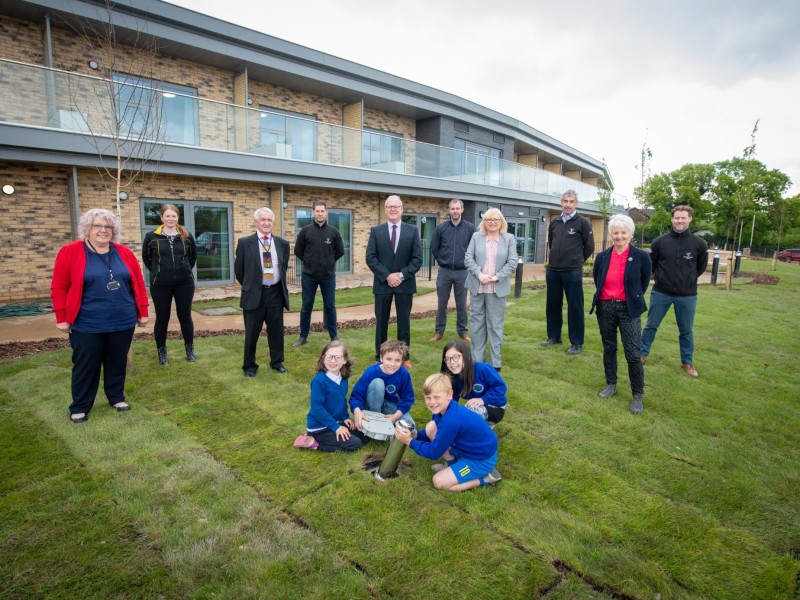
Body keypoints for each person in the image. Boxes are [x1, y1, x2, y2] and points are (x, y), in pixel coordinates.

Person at [51, 208, 149, 423]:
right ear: (88, 228)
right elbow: (59, 286)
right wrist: (61, 317)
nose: (103, 230)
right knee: (87, 365)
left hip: (122, 319)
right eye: (98, 226)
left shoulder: (123, 252)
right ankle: (80, 406)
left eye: (108, 226)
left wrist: (143, 311)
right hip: (87, 322)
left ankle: (116, 397)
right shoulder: (71, 251)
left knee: (116, 362)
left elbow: (138, 283)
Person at [394, 373, 502, 491]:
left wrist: (409, 441)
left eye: (436, 397)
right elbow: (431, 435)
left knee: (439, 482)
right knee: (431, 427)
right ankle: (452, 465)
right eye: (428, 397)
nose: (432, 402)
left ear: (449, 394)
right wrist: (415, 435)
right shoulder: (443, 410)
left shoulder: (451, 421)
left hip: (480, 460)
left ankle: (485, 479)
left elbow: (433, 452)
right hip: (467, 449)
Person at [589, 215, 652, 414]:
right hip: (606, 307)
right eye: (615, 232)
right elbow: (597, 278)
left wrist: (630, 298)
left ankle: (638, 395)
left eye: (623, 232)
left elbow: (642, 284)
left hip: (629, 309)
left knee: (633, 353)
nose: (619, 236)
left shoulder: (641, 256)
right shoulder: (602, 256)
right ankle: (611, 384)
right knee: (609, 347)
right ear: (610, 235)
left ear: (630, 234)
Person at [640, 205, 708, 378]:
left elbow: (699, 268)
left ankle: (687, 362)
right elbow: (651, 266)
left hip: (687, 295)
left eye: (683, 218)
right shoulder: (659, 242)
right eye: (676, 218)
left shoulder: (699, 244)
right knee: (651, 325)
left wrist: (687, 279)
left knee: (686, 330)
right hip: (661, 293)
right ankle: (641, 355)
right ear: (672, 219)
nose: (679, 221)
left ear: (690, 219)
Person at [365, 195, 422, 366]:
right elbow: (371, 257)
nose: (393, 209)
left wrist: (401, 275)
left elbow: (417, 259)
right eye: (389, 206)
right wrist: (388, 276)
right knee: (381, 322)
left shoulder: (412, 231)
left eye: (396, 206)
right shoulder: (376, 231)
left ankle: (404, 357)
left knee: (403, 323)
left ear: (402, 209)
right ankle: (380, 356)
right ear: (385, 209)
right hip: (383, 284)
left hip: (405, 285)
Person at [234, 207, 290, 377]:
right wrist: (252, 285)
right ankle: (249, 366)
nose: (266, 223)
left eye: (269, 220)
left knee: (276, 331)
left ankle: (277, 362)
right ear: (256, 222)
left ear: (273, 222)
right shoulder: (245, 243)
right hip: (254, 294)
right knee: (252, 332)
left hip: (275, 293)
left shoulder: (282, 243)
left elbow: (283, 266)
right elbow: (239, 271)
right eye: (263, 220)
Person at [142, 204, 197, 365]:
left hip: (184, 283)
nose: (171, 219)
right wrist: (158, 271)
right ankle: (162, 354)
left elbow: (192, 258)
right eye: (167, 216)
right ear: (161, 218)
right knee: (162, 318)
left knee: (185, 317)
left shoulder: (186, 235)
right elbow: (147, 258)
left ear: (177, 218)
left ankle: (190, 351)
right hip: (160, 284)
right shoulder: (151, 236)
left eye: (174, 216)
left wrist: (184, 269)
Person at [464, 208, 518, 371]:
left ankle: (495, 362)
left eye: (496, 219)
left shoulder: (508, 238)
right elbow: (468, 257)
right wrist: (479, 274)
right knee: (477, 324)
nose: (493, 222)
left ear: (501, 221)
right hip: (478, 286)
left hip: (497, 288)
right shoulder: (476, 237)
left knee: (495, 325)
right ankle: (477, 361)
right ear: (484, 222)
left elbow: (512, 261)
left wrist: (496, 277)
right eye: (489, 220)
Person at [541, 189, 594, 355]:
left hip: (572, 271)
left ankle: (576, 342)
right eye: (565, 201)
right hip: (554, 271)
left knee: (575, 307)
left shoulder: (583, 223)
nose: (568, 205)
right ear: (561, 203)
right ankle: (554, 336)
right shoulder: (555, 222)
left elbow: (590, 247)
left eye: (571, 202)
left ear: (576, 204)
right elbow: (551, 243)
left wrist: (576, 262)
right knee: (553, 305)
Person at [298, 340, 368, 452]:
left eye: (338, 357)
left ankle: (336, 430)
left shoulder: (343, 378)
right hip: (320, 427)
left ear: (344, 360)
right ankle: (314, 442)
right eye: (329, 357)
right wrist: (336, 428)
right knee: (355, 444)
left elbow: (342, 400)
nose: (333, 361)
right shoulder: (319, 381)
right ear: (323, 359)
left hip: (336, 421)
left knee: (364, 436)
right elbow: (317, 408)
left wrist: (345, 417)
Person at [292, 201, 345, 347]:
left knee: (330, 306)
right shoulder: (305, 231)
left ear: (326, 212)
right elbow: (298, 251)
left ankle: (334, 336)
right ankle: (303, 337)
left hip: (328, 276)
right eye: (317, 211)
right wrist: (309, 261)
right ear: (313, 212)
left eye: (322, 211)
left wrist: (329, 261)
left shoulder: (333, 232)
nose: (320, 213)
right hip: (309, 276)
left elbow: (340, 251)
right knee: (306, 306)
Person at [430, 199, 475, 342]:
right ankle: (439, 331)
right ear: (449, 210)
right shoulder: (441, 228)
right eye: (452, 209)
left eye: (457, 208)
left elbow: (473, 249)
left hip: (463, 272)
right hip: (445, 271)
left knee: (461, 304)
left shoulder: (470, 228)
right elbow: (434, 248)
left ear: (462, 210)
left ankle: (462, 331)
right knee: (442, 303)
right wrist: (442, 261)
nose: (455, 211)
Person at [349, 340, 415, 432]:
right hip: (371, 403)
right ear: (381, 358)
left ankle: (383, 421)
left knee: (410, 426)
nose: (392, 364)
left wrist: (395, 417)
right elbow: (356, 395)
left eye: (397, 360)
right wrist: (357, 411)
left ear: (402, 361)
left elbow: (408, 398)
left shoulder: (403, 374)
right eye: (388, 359)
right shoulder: (372, 371)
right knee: (378, 383)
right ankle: (376, 420)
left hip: (388, 404)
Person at [440, 339, 508, 424]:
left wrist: (483, 400)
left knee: (467, 414)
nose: (451, 362)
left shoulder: (483, 369)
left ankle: (482, 431)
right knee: (449, 412)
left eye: (456, 357)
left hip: (495, 408)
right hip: (476, 407)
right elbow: (451, 400)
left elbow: (501, 387)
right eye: (447, 359)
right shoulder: (453, 378)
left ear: (467, 356)